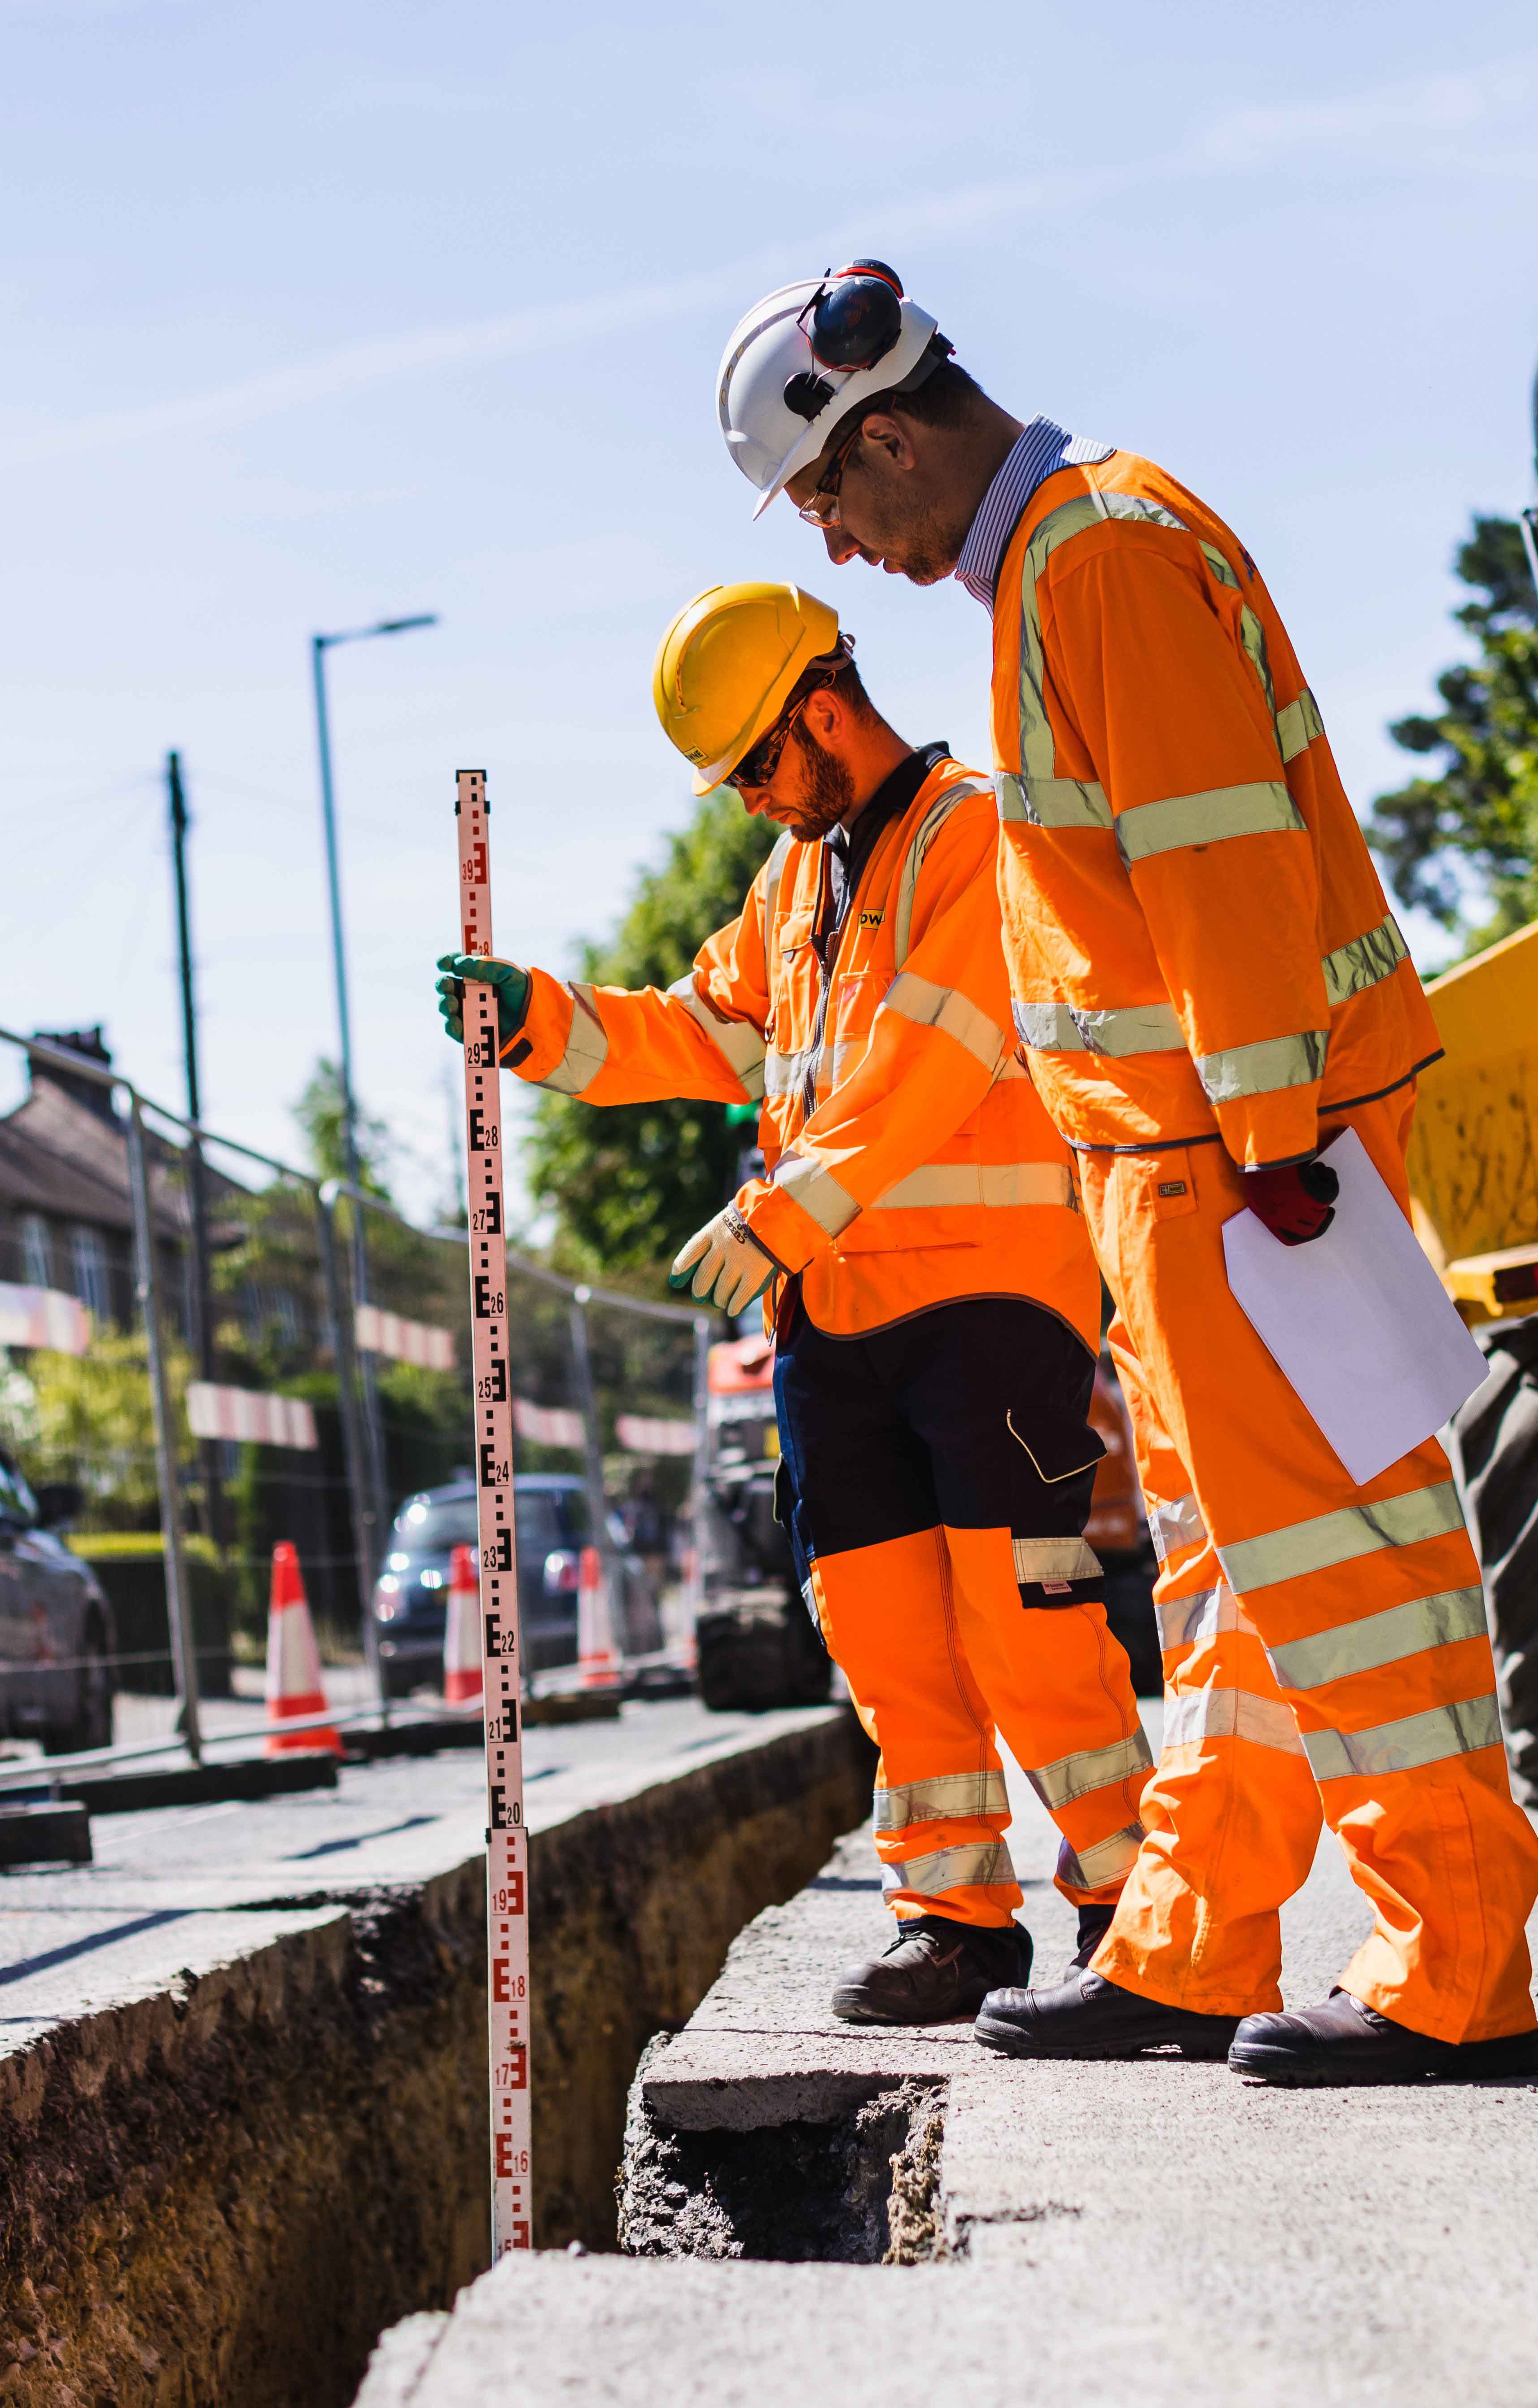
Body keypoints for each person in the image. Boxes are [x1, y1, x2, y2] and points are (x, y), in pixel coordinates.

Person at [710, 262, 1538, 2085]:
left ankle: (1450, 1960)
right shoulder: (1062, 561)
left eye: (834, 500)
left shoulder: (1091, 558)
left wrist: (1265, 1145)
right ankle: (1188, 1931)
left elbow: (1211, 857)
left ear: (896, 430)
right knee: (1235, 1579)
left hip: (1237, 1167)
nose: (840, 552)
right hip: (1193, 1169)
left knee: (1337, 1562)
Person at [434, 580, 1153, 2026]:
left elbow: (930, 1054)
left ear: (823, 711)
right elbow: (703, 1029)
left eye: (756, 766)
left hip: (991, 1305)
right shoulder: (800, 884)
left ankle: (1129, 1905)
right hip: (836, 1320)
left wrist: (782, 1210)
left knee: (1029, 1620)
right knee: (881, 1628)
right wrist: (544, 1023)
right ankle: (954, 1920)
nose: (750, 801)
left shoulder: (979, 834)